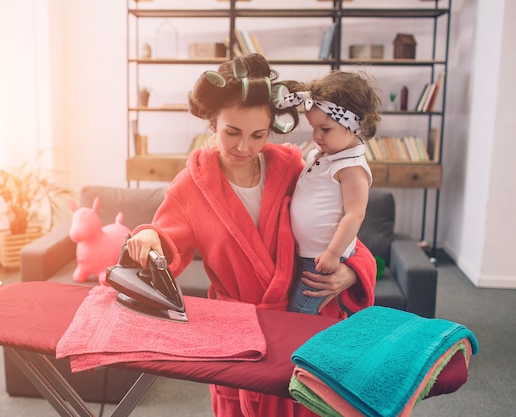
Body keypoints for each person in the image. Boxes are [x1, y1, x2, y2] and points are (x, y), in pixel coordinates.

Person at [125, 54, 376, 417]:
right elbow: (163, 235)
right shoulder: (192, 187)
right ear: (213, 124)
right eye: (232, 133)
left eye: (258, 135)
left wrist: (352, 269)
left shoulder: (291, 168)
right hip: (234, 336)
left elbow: (339, 231)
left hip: (300, 329)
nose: (245, 147)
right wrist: (148, 236)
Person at [275, 71, 381, 315]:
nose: (317, 136)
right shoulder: (319, 155)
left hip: (322, 258)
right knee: (301, 311)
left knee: (300, 314)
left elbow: (354, 215)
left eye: (325, 128)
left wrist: (333, 254)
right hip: (305, 254)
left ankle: (305, 351)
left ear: (354, 125)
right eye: (313, 128)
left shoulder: (351, 167)